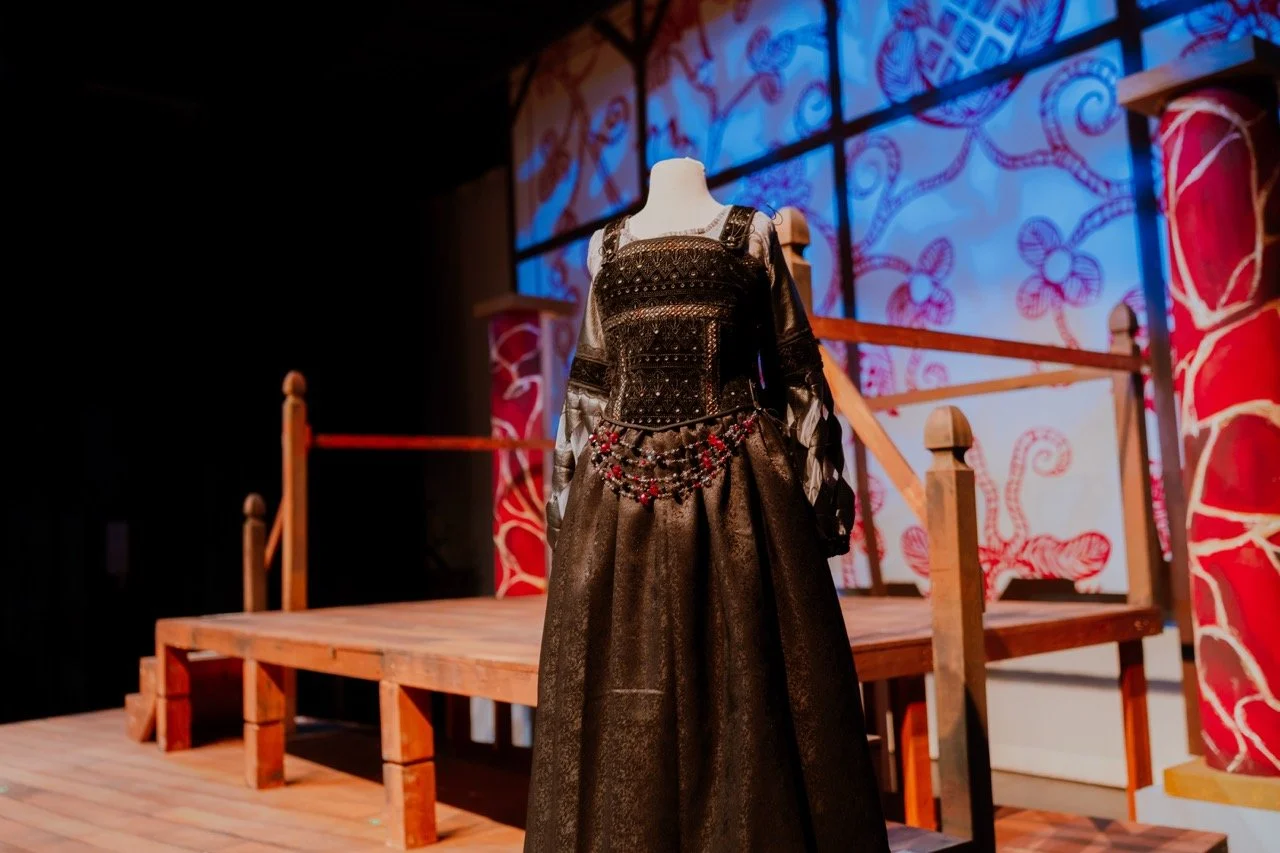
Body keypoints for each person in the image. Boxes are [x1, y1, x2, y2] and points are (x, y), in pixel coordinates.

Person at [524, 158, 889, 852]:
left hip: (741, 500)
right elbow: (590, 384)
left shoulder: (751, 236)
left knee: (748, 690)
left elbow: (794, 367)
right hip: (619, 502)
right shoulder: (604, 248)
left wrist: (818, 503)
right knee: (623, 703)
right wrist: (565, 517)